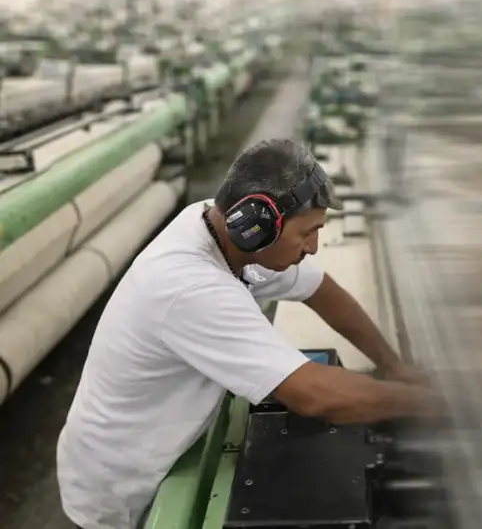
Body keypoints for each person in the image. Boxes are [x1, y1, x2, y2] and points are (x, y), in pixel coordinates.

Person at [57, 139, 437, 529]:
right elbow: (315, 395)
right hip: (123, 487)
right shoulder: (189, 286)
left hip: (155, 448)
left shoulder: (220, 230)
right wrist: (429, 403)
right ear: (257, 226)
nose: (314, 246)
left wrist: (393, 364)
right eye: (307, 233)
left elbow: (321, 289)